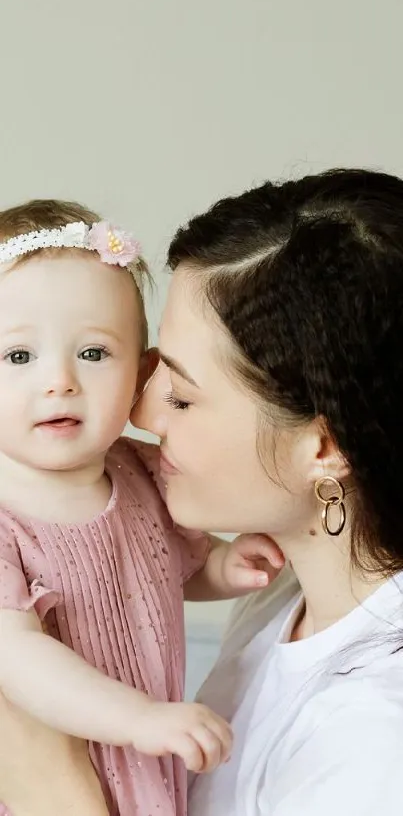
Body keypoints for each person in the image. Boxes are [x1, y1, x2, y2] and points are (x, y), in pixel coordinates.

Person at [134, 167, 403, 815]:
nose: (141, 416)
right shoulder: (283, 589)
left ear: (323, 448)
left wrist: (37, 762)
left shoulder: (375, 740)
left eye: (181, 395)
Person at [0, 199, 281, 816]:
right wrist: (136, 718)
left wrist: (225, 567)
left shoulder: (141, 473)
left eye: (94, 354)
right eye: (19, 357)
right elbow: (15, 658)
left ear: (143, 374)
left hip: (146, 753)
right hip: (52, 758)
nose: (59, 381)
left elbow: (165, 573)